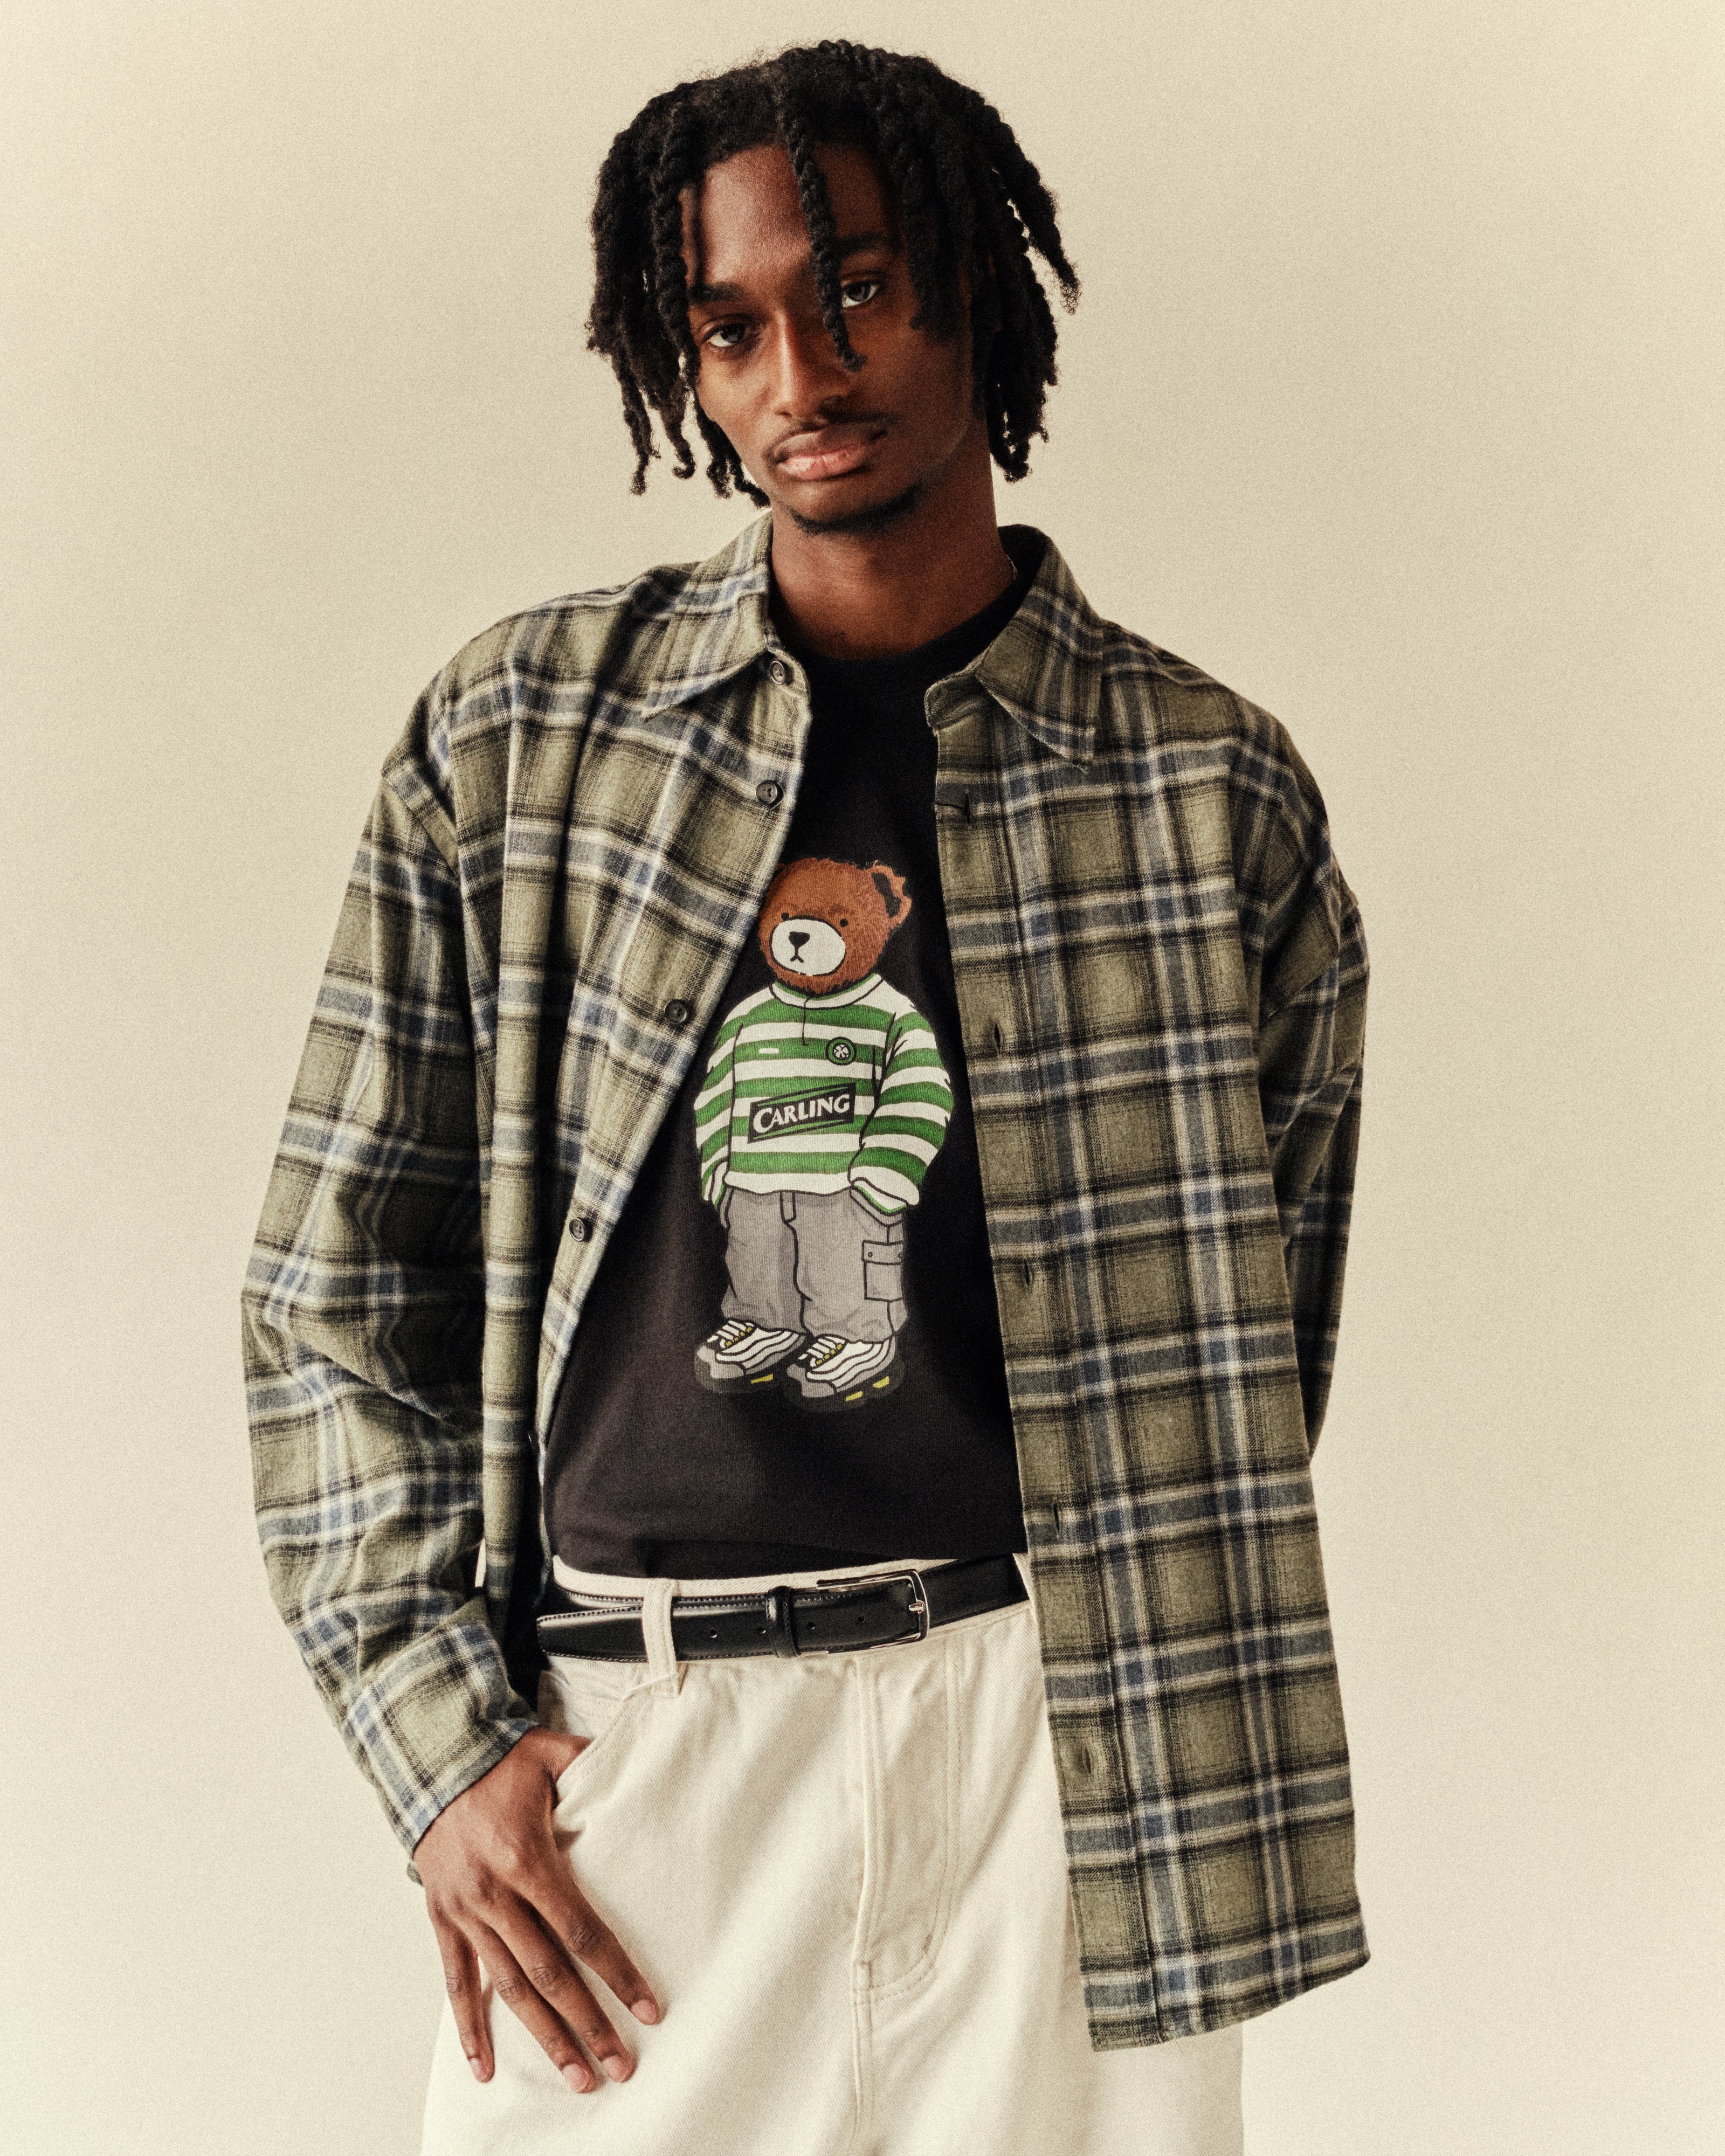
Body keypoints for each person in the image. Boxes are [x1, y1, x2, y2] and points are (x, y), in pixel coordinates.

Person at [243, 39, 1370, 2155]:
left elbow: (1257, 1336)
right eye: (732, 327)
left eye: (857, 291)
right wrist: (437, 1746)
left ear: (974, 293)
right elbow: (330, 1282)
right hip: (645, 1746)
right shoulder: (522, 742)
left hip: (1060, 1745)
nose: (801, 375)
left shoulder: (1204, 791)